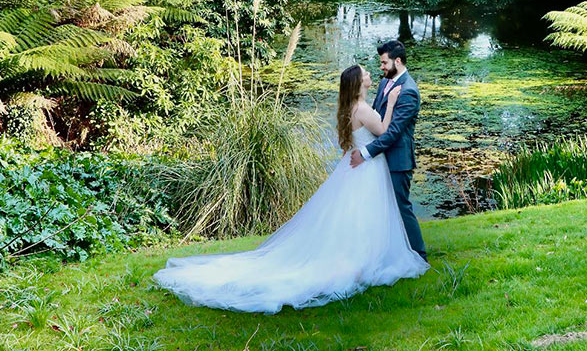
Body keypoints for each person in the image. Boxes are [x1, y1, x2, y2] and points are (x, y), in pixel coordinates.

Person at [152, 60, 429, 313]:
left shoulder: (350, 109)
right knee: (363, 217)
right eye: (365, 73)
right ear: (358, 84)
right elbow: (383, 130)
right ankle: (362, 263)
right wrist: (391, 103)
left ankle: (362, 260)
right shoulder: (364, 109)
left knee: (354, 218)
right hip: (366, 170)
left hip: (355, 167)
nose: (370, 73)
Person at [350, 39, 426, 260]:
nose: (381, 67)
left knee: (401, 207)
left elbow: (392, 132)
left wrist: (365, 153)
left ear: (398, 61)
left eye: (384, 62)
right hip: (380, 160)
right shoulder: (385, 83)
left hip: (398, 161)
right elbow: (376, 118)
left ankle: (419, 255)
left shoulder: (409, 91)